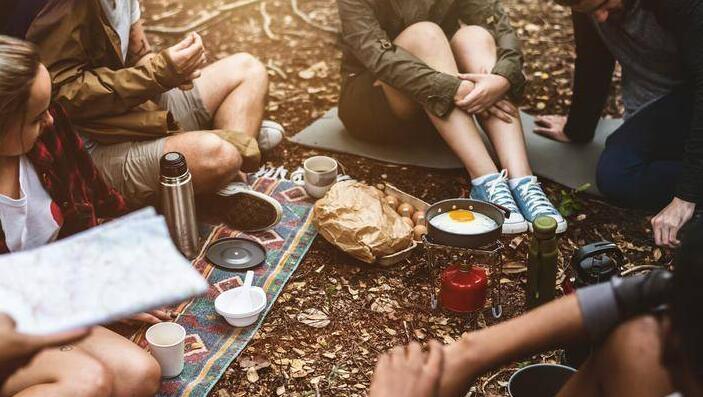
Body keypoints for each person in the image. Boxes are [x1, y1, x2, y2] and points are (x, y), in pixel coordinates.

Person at [21, 0, 283, 231]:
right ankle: (218, 165)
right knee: (221, 155)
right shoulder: (62, 6)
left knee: (248, 69)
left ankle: (228, 188)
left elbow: (139, 57)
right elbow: (61, 95)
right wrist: (159, 73)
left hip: (134, 113)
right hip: (89, 151)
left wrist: (176, 67)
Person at [0, 35, 164, 397]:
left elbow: (99, 201)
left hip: (42, 301)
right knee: (88, 381)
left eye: (48, 105)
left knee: (139, 375)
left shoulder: (47, 131)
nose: (49, 119)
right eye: (34, 116)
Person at [369, 229, 703, 397]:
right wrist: (471, 353)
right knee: (638, 344)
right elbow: (652, 291)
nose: (658, 326)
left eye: (670, 321)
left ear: (675, 346)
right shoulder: (648, 346)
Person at [337, 0, 567, 234]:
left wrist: (502, 78)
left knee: (474, 36)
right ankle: (484, 179)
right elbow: (376, 56)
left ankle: (522, 180)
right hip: (377, 104)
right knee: (425, 34)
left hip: (447, 111)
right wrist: (450, 88)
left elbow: (499, 26)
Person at [533, 0, 703, 248]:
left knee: (621, 172)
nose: (600, 17)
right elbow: (594, 59)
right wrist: (578, 128)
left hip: (691, 94)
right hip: (664, 104)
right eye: (591, 11)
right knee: (617, 177)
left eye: (603, 4)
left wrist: (685, 196)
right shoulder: (589, 6)